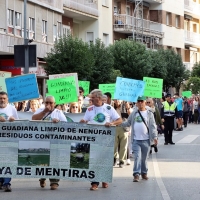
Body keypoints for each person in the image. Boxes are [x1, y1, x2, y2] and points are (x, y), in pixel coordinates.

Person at [80, 89, 122, 191]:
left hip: (106, 139)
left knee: (104, 159)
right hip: (93, 139)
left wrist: (111, 124)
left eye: (93, 97)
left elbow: (119, 120)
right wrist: (83, 122)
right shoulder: (89, 109)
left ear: (98, 98)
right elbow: (85, 121)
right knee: (94, 160)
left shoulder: (108, 108)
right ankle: (94, 182)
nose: (91, 99)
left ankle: (104, 179)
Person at [32, 96, 67, 190]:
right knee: (43, 160)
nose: (49, 104)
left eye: (51, 103)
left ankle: (54, 182)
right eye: (47, 102)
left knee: (54, 160)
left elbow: (66, 125)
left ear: (54, 104)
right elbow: (33, 119)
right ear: (44, 103)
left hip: (54, 141)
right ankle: (42, 178)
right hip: (42, 141)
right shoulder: (40, 110)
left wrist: (58, 123)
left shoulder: (58, 112)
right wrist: (44, 112)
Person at [120, 96, 157, 182]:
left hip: (146, 140)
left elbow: (152, 126)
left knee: (144, 158)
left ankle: (144, 173)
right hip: (136, 140)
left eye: (141, 101)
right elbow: (128, 123)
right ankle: (136, 174)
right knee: (137, 157)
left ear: (144, 102)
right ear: (136, 103)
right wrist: (118, 123)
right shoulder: (134, 113)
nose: (140, 103)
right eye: (138, 101)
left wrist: (155, 137)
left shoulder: (149, 113)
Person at [0, 91, 19, 192]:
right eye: (0, 98)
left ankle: (7, 183)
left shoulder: (12, 109)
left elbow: (19, 123)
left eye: (4, 98)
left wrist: (13, 120)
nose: (2, 100)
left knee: (8, 161)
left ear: (7, 99)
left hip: (9, 139)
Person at [113, 100, 129, 168]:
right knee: (114, 145)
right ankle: (114, 159)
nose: (117, 101)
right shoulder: (112, 107)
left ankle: (121, 161)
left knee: (123, 145)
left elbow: (130, 114)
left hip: (123, 127)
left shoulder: (125, 106)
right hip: (114, 127)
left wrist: (128, 108)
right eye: (116, 100)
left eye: (118, 100)